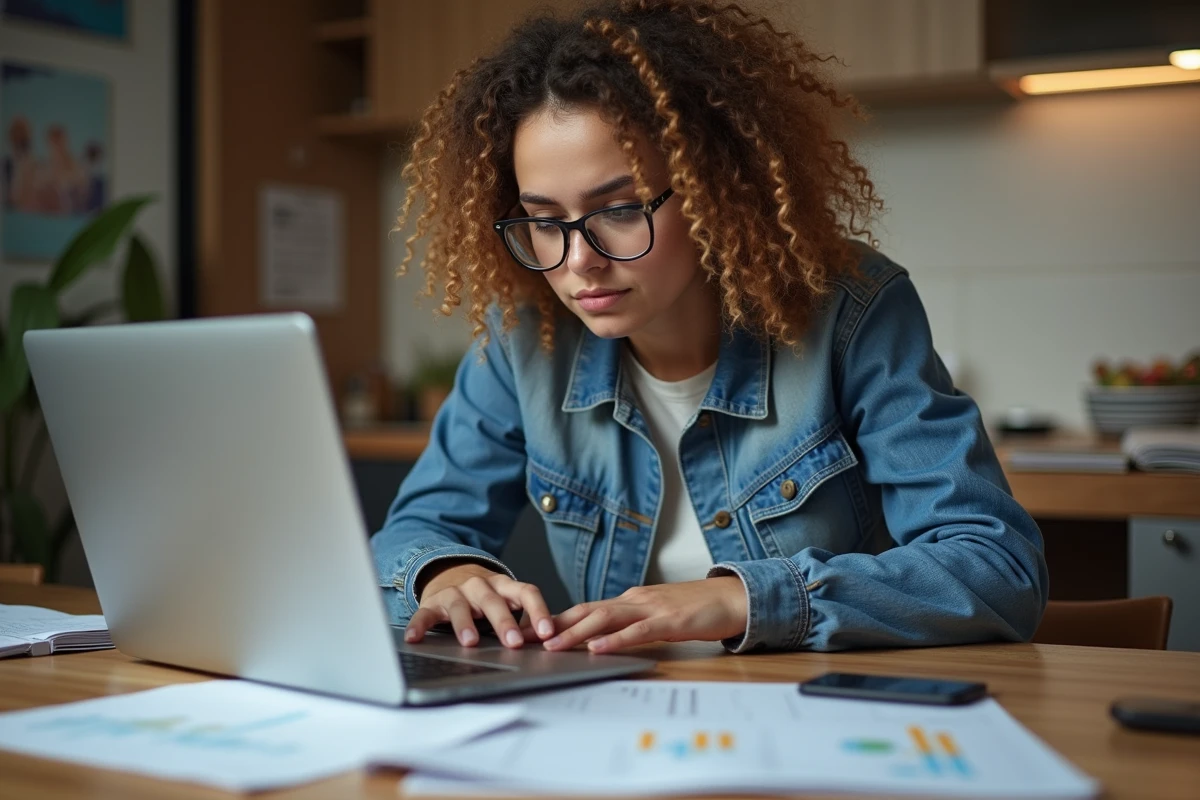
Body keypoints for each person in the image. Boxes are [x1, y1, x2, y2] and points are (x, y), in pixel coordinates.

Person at [371, 0, 1047, 655]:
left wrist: (740, 600)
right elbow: (410, 534)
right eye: (546, 222)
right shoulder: (525, 339)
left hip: (817, 706)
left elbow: (997, 567)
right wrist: (443, 574)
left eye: (622, 210)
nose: (579, 262)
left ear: (713, 190)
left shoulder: (851, 311)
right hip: (620, 710)